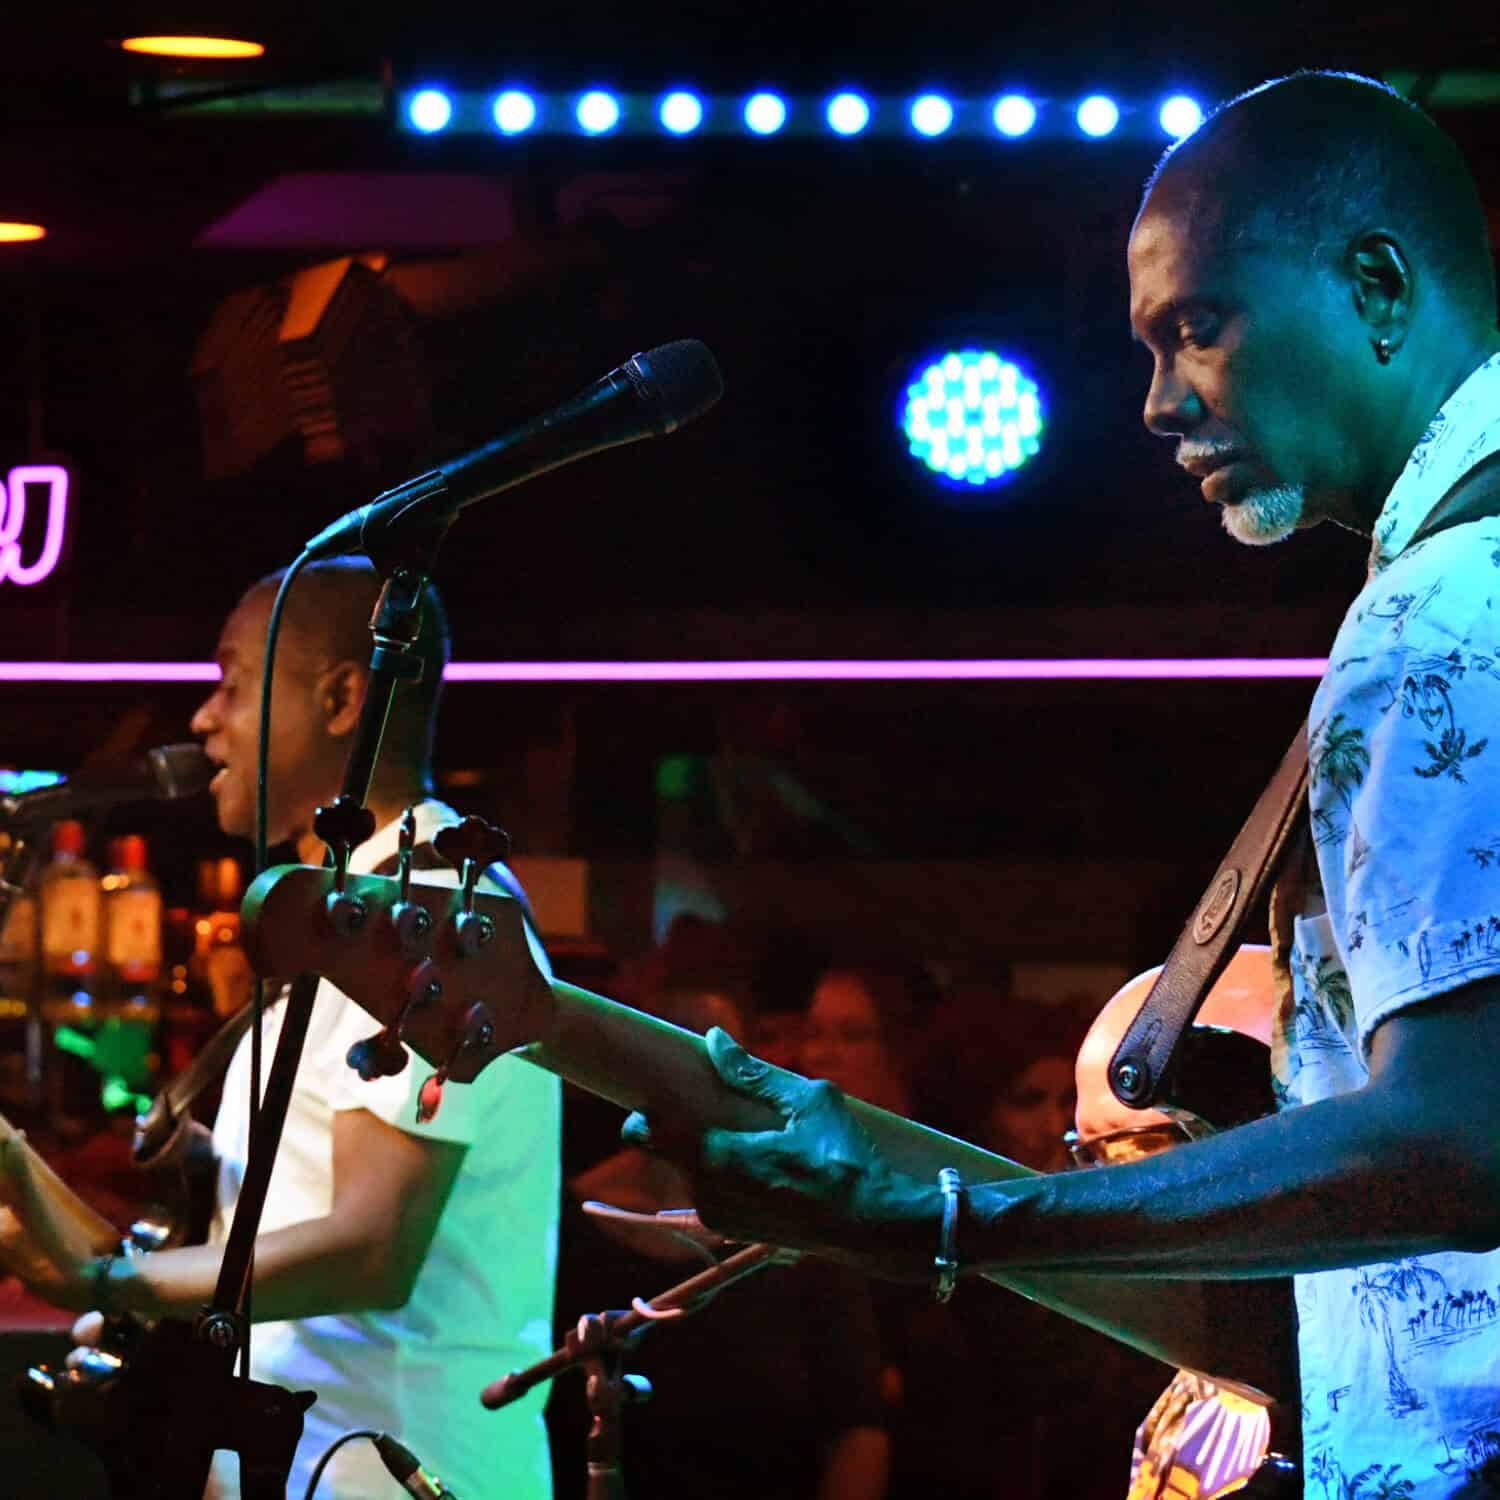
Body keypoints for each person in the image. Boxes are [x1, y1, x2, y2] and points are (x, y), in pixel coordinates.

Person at [628, 71, 1500, 1499]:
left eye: (1197, 327)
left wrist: (956, 1221)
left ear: (1377, 287)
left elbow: (1461, 1136)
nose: (1157, 401)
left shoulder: (1443, 615)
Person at [0, 559, 561, 1500]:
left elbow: (372, 1248)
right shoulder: (347, 912)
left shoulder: (427, 910)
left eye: (232, 684)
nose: (202, 718)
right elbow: (250, 1258)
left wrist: (107, 1285)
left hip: (403, 1472)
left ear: (341, 700)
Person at [548, 979, 888, 1500]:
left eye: (709, 1064)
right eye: (669, 1057)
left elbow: (857, 1429)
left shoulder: (799, 1231)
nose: (686, 1086)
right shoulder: (569, 1223)